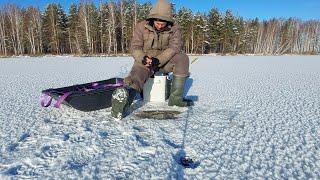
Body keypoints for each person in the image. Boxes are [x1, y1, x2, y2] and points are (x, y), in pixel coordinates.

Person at [111, 0, 193, 119]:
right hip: (146, 61)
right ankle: (122, 104)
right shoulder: (141, 26)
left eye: (162, 24)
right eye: (157, 23)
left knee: (182, 58)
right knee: (136, 77)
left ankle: (176, 99)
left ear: (168, 21)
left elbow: (174, 48)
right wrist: (143, 58)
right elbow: (135, 47)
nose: (159, 26)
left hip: (165, 61)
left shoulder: (175, 29)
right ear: (152, 19)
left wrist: (158, 60)